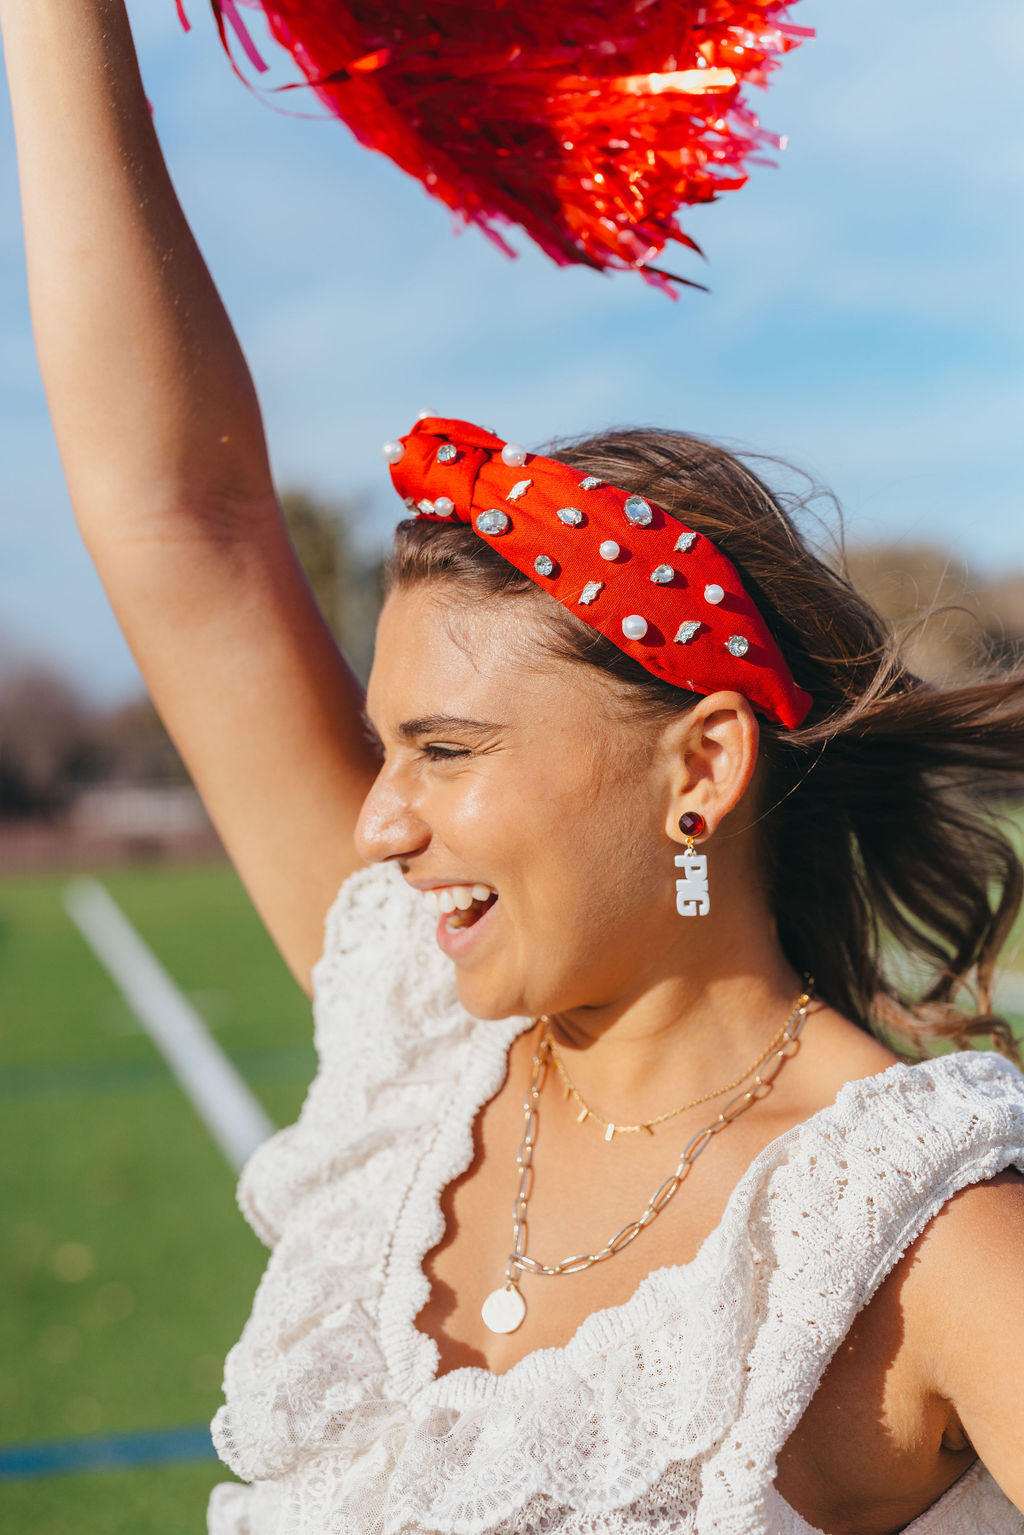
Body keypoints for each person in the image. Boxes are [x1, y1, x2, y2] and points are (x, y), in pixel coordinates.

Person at [3, 5, 1024, 1532]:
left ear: (702, 767)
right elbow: (181, 525)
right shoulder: (417, 1034)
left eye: (446, 752)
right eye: (381, 749)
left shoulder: (917, 1234)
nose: (379, 821)